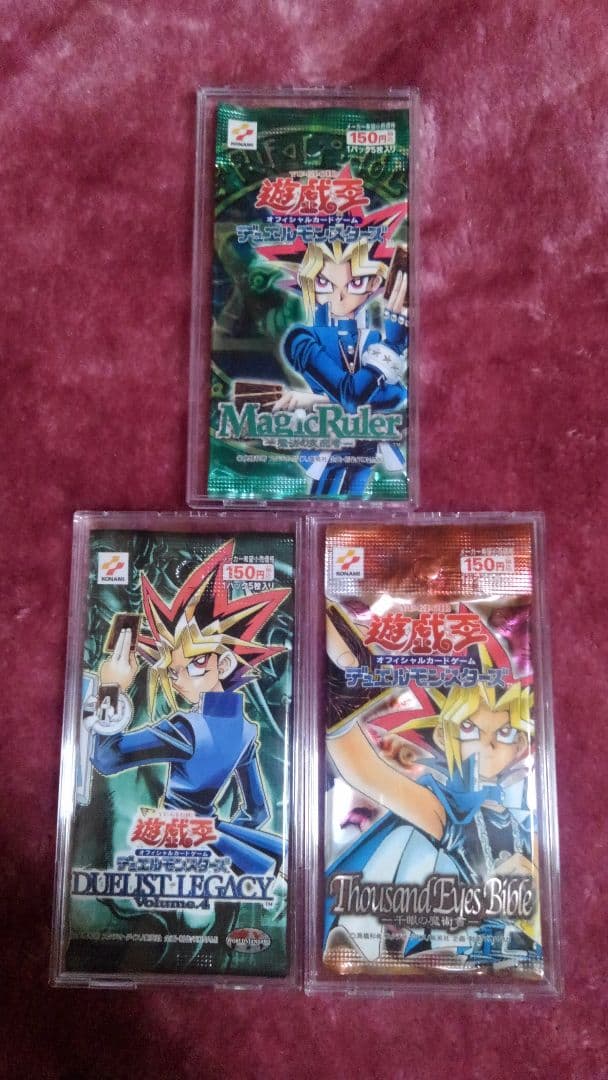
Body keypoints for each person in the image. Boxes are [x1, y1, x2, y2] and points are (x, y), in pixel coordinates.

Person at [89, 540, 289, 876]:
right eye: (173, 670)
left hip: (175, 843)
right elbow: (257, 812)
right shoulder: (244, 729)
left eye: (194, 664)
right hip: (200, 840)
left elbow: (106, 759)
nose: (179, 680)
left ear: (224, 664)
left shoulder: (186, 730)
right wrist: (222, 841)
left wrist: (112, 686)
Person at [270, 238, 409, 495]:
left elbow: (396, 395)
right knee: (323, 504)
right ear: (309, 283)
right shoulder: (302, 339)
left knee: (361, 509)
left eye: (355, 283)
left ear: (373, 284)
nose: (340, 295)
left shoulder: (372, 339)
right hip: (328, 447)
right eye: (324, 283)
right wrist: (392, 346)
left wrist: (317, 400)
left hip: (368, 446)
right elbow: (351, 395)